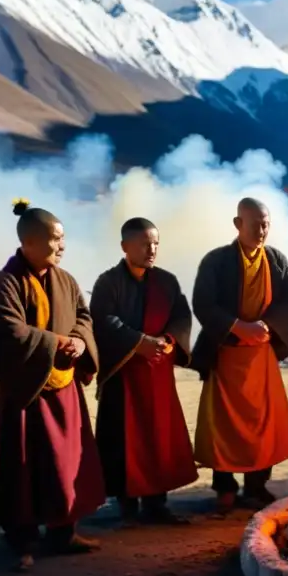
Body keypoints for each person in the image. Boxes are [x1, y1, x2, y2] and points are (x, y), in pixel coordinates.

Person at [0, 200, 105, 571]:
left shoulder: (66, 280)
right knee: (24, 467)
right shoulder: (6, 283)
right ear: (29, 242)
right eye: (54, 239)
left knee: (65, 464)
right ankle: (22, 541)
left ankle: (65, 534)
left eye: (63, 239)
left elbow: (83, 315)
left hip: (64, 391)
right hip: (25, 391)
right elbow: (5, 330)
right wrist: (56, 343)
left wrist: (79, 340)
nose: (61, 247)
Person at [191, 198, 288, 510]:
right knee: (223, 425)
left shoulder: (277, 260)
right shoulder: (217, 261)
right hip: (226, 353)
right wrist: (237, 326)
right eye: (254, 223)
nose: (261, 230)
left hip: (260, 354)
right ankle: (224, 486)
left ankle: (256, 485)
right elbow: (203, 303)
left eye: (266, 223)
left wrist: (267, 325)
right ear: (238, 224)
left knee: (262, 423)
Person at [90, 218, 197, 525]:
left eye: (155, 244)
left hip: (157, 373)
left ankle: (157, 503)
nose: (151, 250)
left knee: (159, 437)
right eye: (144, 244)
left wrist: (167, 340)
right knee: (125, 440)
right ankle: (127, 505)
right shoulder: (108, 282)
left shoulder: (166, 281)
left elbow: (180, 315)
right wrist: (138, 342)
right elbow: (103, 319)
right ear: (125, 247)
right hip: (124, 373)